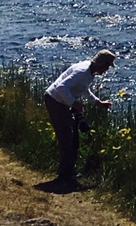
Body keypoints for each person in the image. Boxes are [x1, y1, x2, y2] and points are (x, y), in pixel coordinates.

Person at [43, 49, 115, 187]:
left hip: (60, 102)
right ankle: (64, 175)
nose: (106, 70)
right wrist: (73, 103)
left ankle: (68, 172)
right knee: (66, 137)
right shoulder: (82, 72)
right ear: (101, 64)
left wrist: (98, 103)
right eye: (107, 66)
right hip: (55, 101)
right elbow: (60, 87)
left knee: (72, 138)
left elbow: (83, 89)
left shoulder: (88, 71)